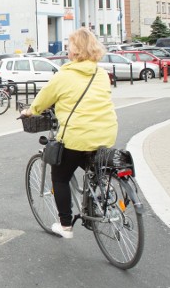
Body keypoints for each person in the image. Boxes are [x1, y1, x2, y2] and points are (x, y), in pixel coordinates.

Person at [20, 29, 117, 238]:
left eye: (69, 45)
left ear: (75, 50)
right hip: (107, 132)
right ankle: (102, 186)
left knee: (60, 175)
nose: (67, 49)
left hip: (78, 136)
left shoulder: (64, 74)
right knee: (92, 162)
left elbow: (43, 99)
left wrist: (29, 111)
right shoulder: (100, 73)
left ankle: (65, 226)